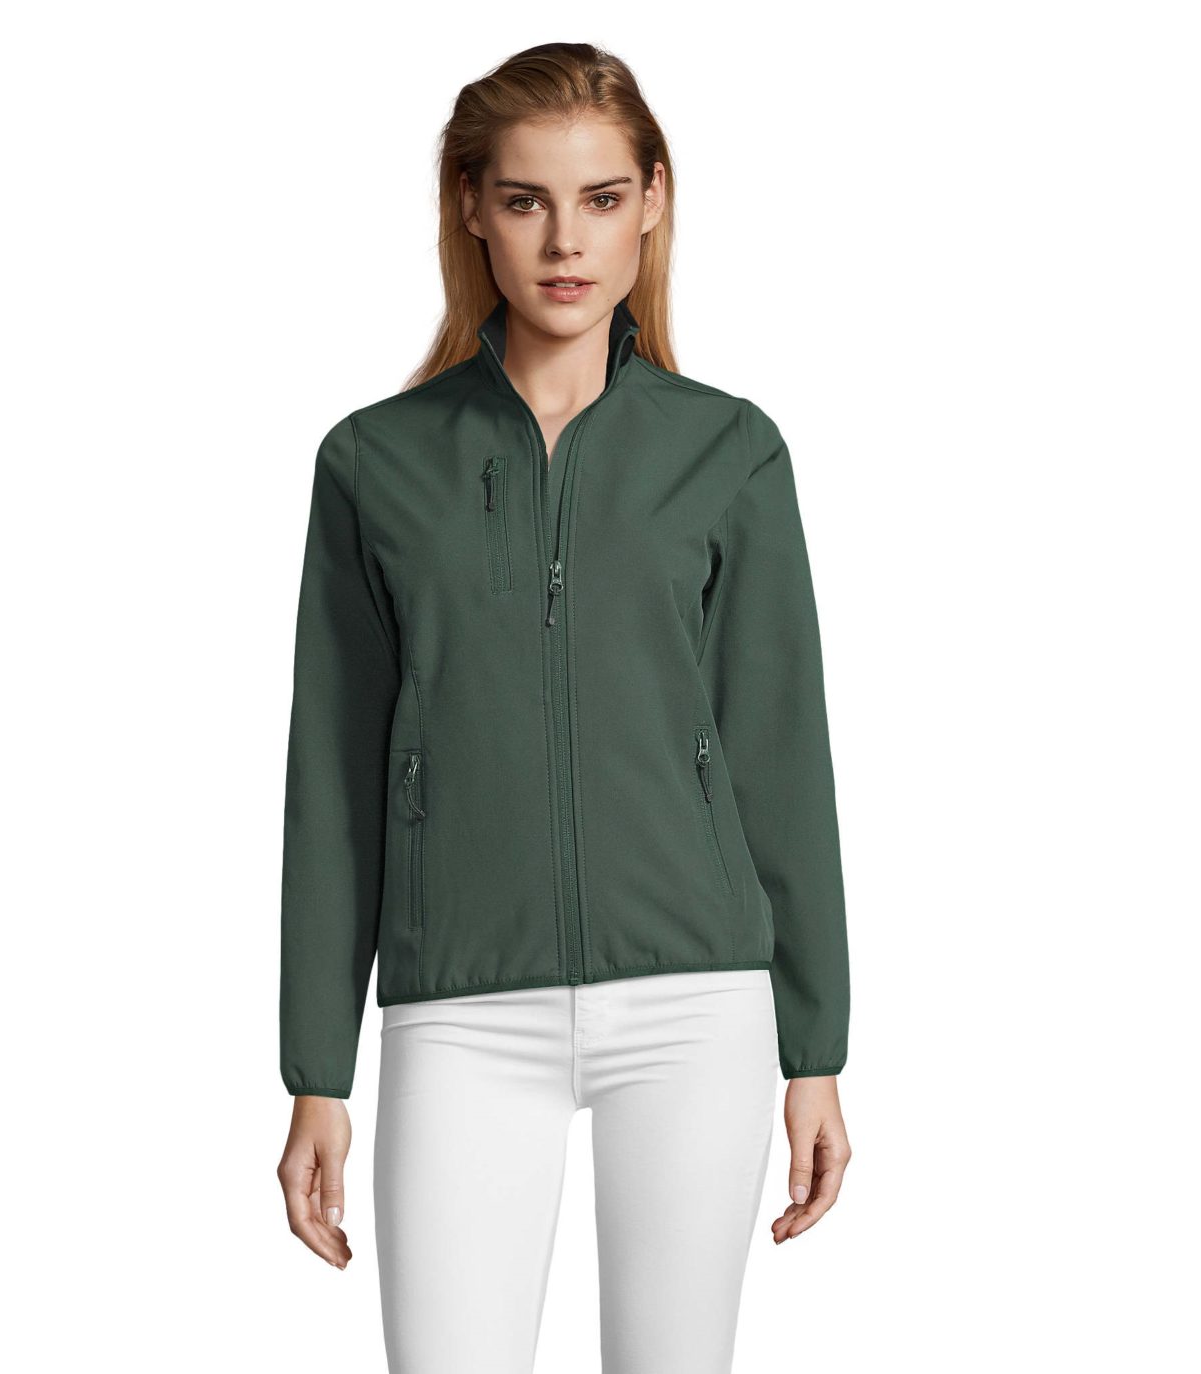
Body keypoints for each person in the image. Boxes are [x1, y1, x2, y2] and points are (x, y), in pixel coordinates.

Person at [276, 41, 852, 1374]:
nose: (564, 241)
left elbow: (780, 752)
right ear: (470, 207)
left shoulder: (728, 451)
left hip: (696, 1001)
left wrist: (814, 1045)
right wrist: (317, 1070)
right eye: (526, 198)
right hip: (461, 1006)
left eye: (600, 197)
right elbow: (333, 781)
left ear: (653, 200)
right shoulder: (373, 463)